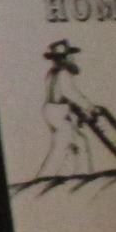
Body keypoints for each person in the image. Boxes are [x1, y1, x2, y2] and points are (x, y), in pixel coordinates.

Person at [38, 40, 98, 178]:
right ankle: (44, 178)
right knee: (62, 144)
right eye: (70, 55)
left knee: (78, 142)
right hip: (58, 110)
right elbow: (70, 93)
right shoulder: (63, 73)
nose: (73, 58)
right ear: (65, 57)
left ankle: (78, 175)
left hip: (52, 110)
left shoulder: (52, 73)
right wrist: (90, 107)